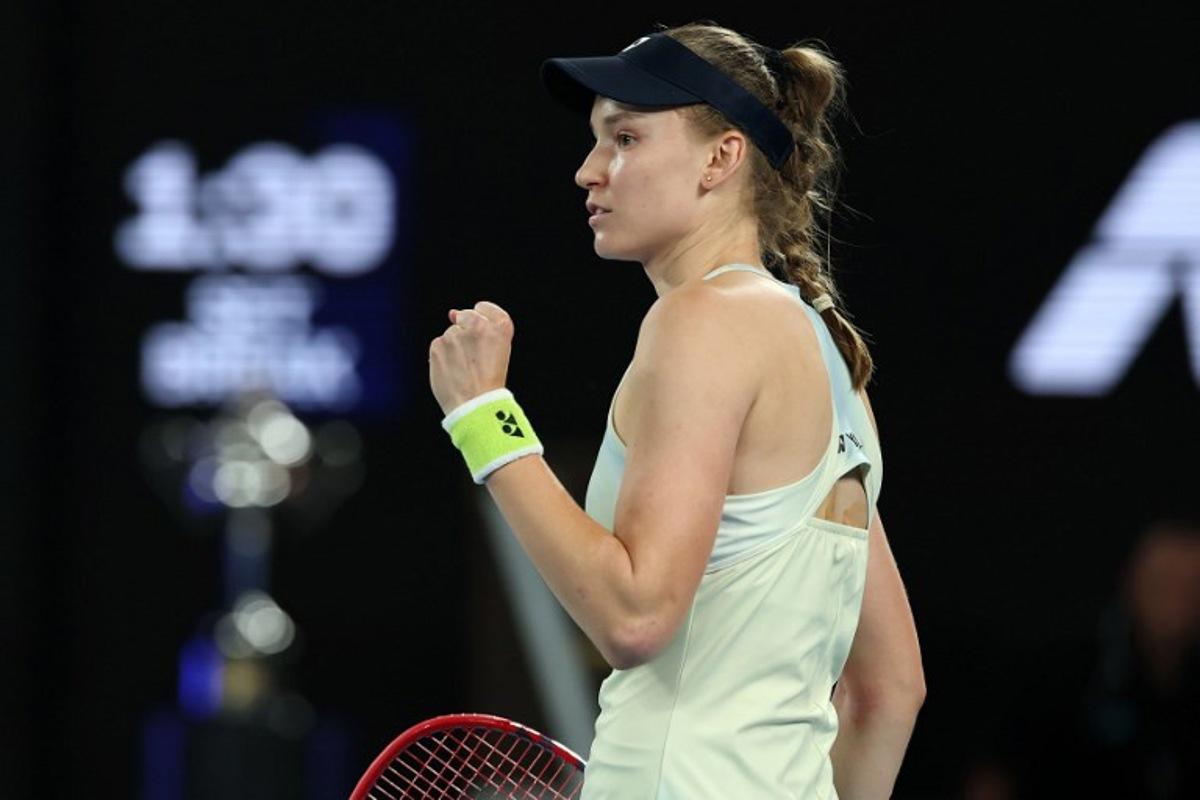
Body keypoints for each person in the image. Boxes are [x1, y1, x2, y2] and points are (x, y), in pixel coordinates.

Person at [428, 20, 924, 799]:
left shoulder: (703, 322)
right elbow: (888, 692)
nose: (589, 171)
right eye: (596, 140)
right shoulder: (832, 361)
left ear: (721, 157)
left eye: (624, 138)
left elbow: (635, 617)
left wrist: (484, 416)